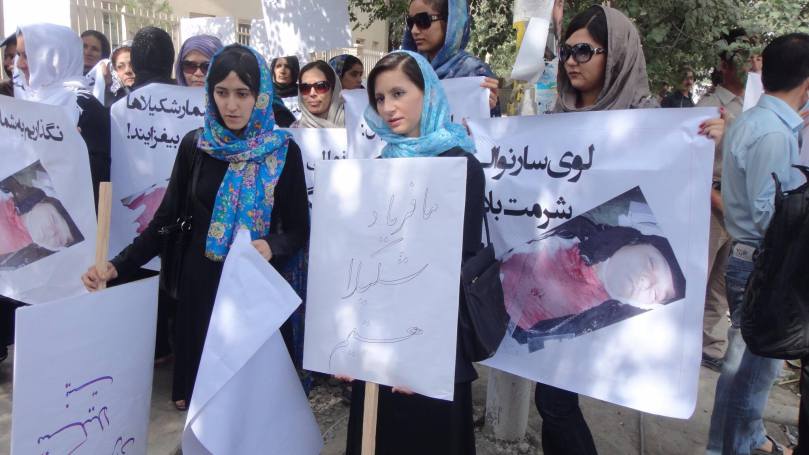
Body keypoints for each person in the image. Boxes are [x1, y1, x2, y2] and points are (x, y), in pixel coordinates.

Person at [535, 6, 725, 454]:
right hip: (565, 275)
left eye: (584, 50)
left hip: (622, 292)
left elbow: (676, 196)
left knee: (556, 401)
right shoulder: (552, 119)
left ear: (617, 54)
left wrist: (710, 142)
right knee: (552, 398)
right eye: (566, 51)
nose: (571, 61)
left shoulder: (651, 123)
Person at [81, 44, 310, 411]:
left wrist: (272, 245)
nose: (231, 106)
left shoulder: (284, 152)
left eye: (242, 94)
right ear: (210, 93)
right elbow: (165, 221)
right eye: (222, 93)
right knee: (200, 408)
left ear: (260, 95)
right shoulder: (196, 145)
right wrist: (116, 265)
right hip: (201, 290)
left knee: (251, 408)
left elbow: (299, 229)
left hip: (255, 292)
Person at [341, 49, 484, 455]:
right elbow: (360, 260)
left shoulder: (461, 165)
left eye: (399, 93)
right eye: (381, 98)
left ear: (427, 93)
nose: (388, 107)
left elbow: (459, 265)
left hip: (432, 343)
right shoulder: (379, 165)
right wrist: (349, 343)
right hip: (377, 337)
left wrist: (418, 353)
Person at [706, 33, 809, 455]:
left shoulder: (749, 121)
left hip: (747, 257)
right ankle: (729, 448)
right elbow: (771, 214)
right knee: (753, 375)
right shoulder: (773, 134)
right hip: (761, 264)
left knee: (740, 368)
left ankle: (728, 444)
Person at [502, 217, 685, 350]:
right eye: (650, 264)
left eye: (656, 294)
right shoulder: (571, 232)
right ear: (636, 242)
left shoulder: (609, 324)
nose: (646, 282)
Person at [696, 28, 749, 372]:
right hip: (712, 203)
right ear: (725, 64)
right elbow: (692, 164)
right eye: (742, 58)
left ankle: (709, 344)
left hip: (741, 206)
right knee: (697, 275)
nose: (750, 66)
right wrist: (716, 199)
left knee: (720, 285)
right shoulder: (708, 106)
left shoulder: (756, 106)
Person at [403, 0, 500, 115]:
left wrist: (489, 108)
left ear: (450, 21)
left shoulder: (475, 73)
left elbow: (487, 131)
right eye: (410, 22)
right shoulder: (407, 70)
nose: (414, 30)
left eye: (422, 21)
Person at [292, 60, 345, 128]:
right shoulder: (293, 132)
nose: (312, 93)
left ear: (334, 89)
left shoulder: (356, 125)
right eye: (305, 88)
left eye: (321, 86)